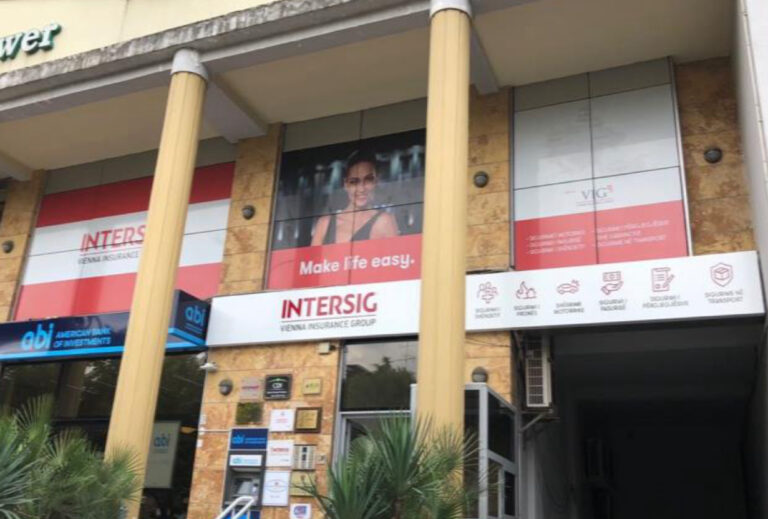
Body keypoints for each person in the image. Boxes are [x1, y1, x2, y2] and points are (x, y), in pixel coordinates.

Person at [311, 150, 399, 245]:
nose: (361, 189)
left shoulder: (385, 221)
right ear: (346, 185)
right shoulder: (325, 224)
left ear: (376, 181)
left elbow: (398, 253)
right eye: (354, 182)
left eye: (368, 180)